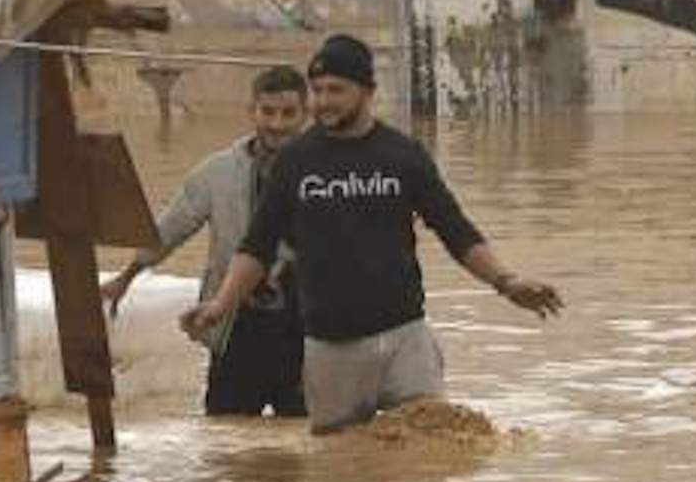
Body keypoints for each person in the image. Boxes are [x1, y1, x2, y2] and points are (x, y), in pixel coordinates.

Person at [182, 33, 561, 433]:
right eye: (318, 90)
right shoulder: (295, 162)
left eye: (336, 90)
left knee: (429, 451)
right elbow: (257, 247)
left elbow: (455, 230)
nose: (323, 101)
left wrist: (507, 281)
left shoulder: (402, 155)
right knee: (339, 469)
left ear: (367, 91)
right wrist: (221, 305)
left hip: (405, 336)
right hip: (330, 348)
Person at [103, 64, 309, 417]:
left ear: (306, 115)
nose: (276, 124)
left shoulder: (328, 172)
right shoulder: (219, 172)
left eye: (288, 114)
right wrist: (127, 276)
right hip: (235, 324)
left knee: (311, 442)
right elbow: (170, 228)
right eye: (268, 112)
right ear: (252, 112)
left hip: (307, 327)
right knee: (226, 438)